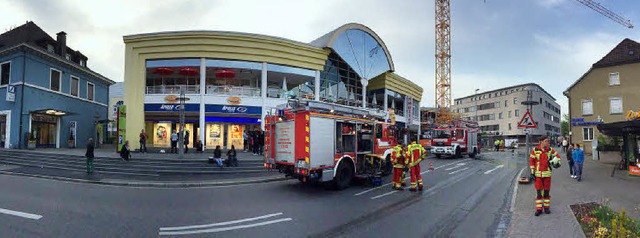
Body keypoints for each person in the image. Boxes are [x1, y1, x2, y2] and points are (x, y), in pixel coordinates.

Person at [529, 136, 561, 216]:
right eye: (546, 141)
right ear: (541, 142)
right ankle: (539, 209)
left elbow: (558, 157)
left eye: (548, 141)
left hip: (547, 174)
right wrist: (532, 172)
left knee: (546, 192)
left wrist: (557, 164)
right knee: (539, 193)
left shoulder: (550, 150)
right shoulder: (535, 150)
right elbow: (532, 161)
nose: (548, 142)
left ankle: (546, 208)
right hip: (538, 175)